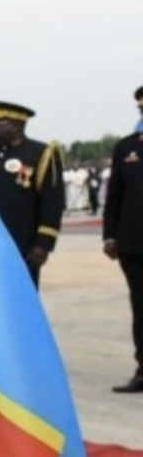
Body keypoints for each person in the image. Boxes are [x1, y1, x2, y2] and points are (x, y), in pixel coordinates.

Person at [0, 101, 64, 288]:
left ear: (16, 125)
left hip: (21, 243)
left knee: (19, 296)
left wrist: (43, 244)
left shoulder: (40, 153)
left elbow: (52, 202)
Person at [104, 87, 143, 393]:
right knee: (140, 308)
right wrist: (110, 235)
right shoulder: (126, 148)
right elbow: (115, 194)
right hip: (134, 243)